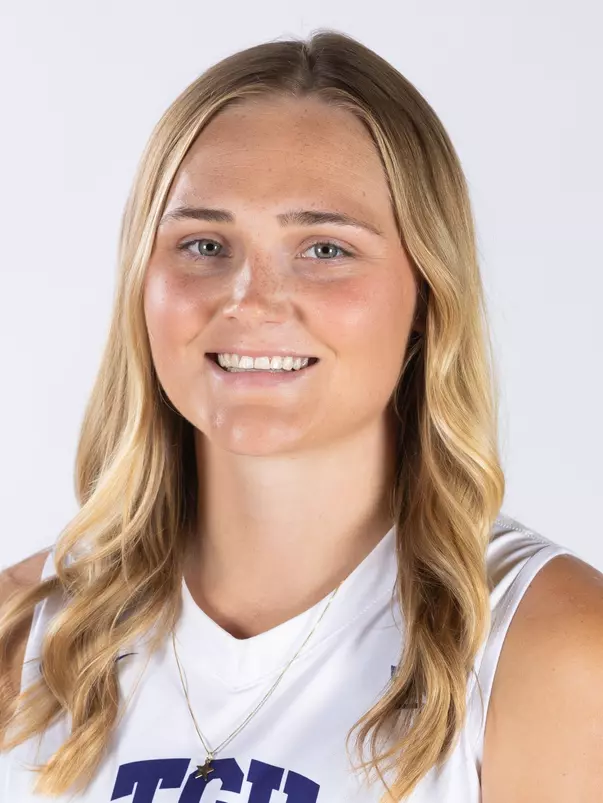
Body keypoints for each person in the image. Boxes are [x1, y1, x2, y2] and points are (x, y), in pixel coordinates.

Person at [1, 29, 602, 803]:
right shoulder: (24, 633)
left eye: (323, 249)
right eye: (204, 242)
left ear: (426, 294)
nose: (249, 300)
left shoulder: (548, 652)